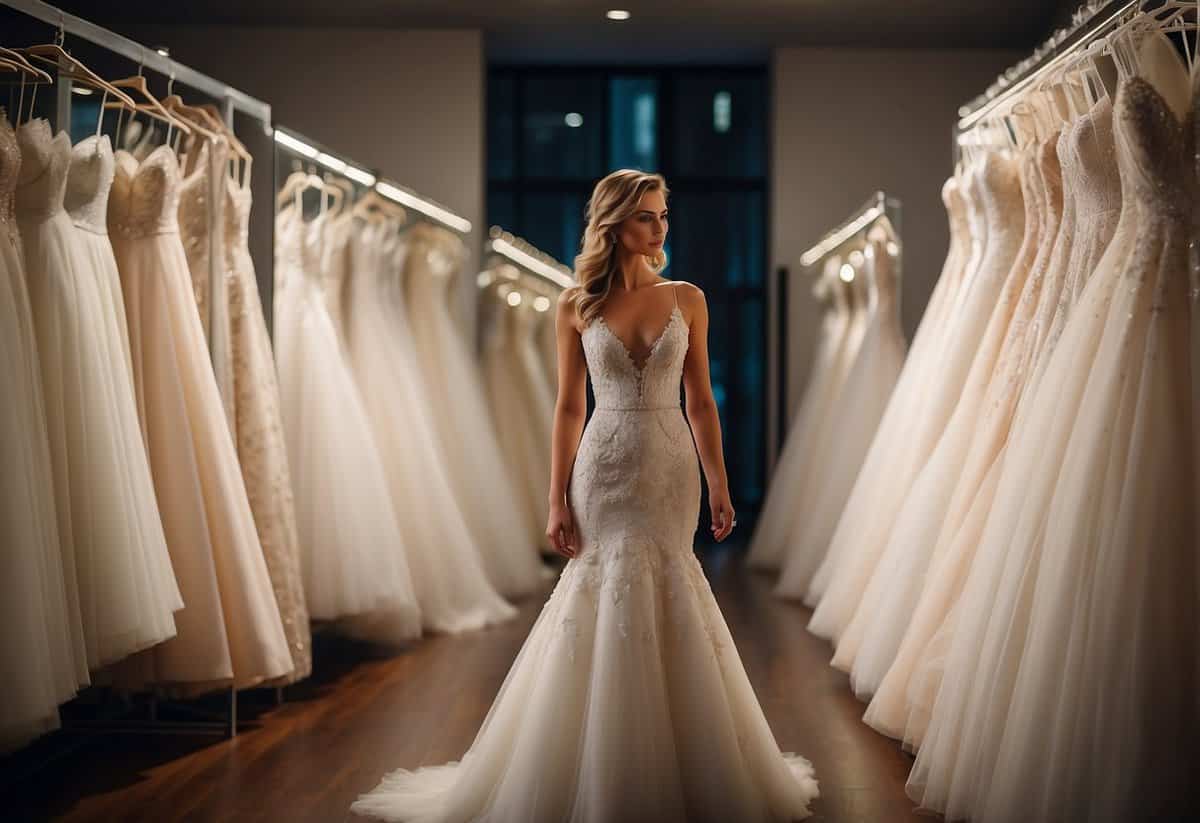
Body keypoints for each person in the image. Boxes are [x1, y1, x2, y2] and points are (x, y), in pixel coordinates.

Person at [351, 169, 819, 822]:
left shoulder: (688, 297)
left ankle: (687, 758)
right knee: (599, 586)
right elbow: (568, 406)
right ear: (614, 225)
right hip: (602, 464)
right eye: (648, 217)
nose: (661, 227)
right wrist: (554, 497)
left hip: (669, 463)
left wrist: (719, 482)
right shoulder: (576, 303)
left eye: (664, 216)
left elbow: (701, 400)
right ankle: (588, 762)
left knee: (672, 583)